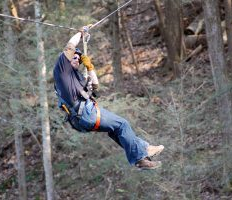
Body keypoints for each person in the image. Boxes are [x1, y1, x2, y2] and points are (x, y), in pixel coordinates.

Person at [53, 26, 164, 170]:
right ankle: (140, 157)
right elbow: (70, 46)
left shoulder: (76, 77)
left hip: (82, 117)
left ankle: (143, 151)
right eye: (73, 57)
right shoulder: (62, 72)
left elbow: (95, 86)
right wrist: (80, 34)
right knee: (123, 124)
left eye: (78, 59)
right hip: (86, 114)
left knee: (116, 130)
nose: (76, 60)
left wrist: (91, 68)